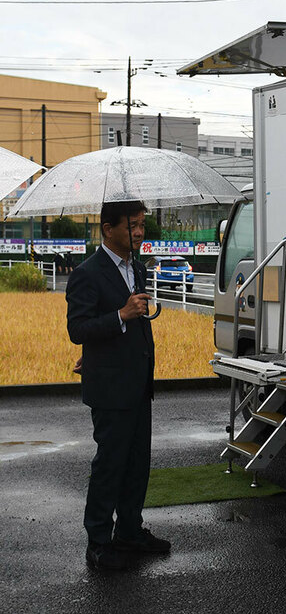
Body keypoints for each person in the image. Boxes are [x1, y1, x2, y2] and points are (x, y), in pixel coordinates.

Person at [66, 200, 170, 571]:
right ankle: (97, 542)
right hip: (110, 388)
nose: (139, 232)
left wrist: (125, 320)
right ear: (108, 229)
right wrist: (121, 314)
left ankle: (129, 530)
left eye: (142, 225)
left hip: (138, 382)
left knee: (137, 463)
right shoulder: (87, 273)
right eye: (132, 225)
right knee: (110, 465)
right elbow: (78, 328)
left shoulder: (136, 269)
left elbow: (123, 327)